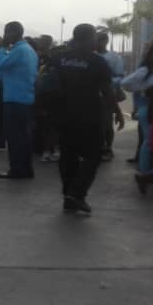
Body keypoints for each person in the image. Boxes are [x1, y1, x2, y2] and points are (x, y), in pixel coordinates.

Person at [42, 24, 125, 213]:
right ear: (89, 38)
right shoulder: (96, 61)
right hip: (89, 116)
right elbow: (107, 91)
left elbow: (47, 83)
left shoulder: (59, 58)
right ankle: (77, 193)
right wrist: (117, 112)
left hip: (62, 115)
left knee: (68, 156)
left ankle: (68, 194)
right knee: (93, 157)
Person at [0, 21, 38, 179]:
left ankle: (17, 169)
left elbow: (0, 64)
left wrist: (3, 47)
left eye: (6, 32)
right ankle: (26, 169)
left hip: (14, 99)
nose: (4, 36)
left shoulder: (18, 50)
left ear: (15, 32)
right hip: (25, 98)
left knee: (14, 137)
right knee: (24, 137)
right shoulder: (29, 50)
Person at [122, 43, 153, 177]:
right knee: (149, 142)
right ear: (150, 56)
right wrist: (143, 91)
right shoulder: (144, 71)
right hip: (148, 110)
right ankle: (144, 173)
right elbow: (125, 83)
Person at [96, 31, 124, 160]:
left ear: (106, 41)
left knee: (107, 122)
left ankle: (108, 149)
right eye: (96, 40)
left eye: (100, 40)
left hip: (108, 94)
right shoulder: (91, 55)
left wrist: (107, 83)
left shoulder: (114, 57)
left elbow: (119, 76)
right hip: (92, 95)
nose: (97, 43)